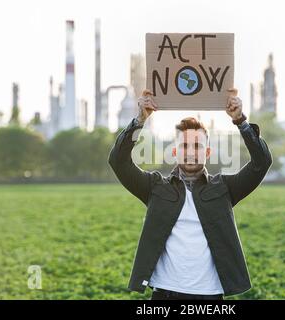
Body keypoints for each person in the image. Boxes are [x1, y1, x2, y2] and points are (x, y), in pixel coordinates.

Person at [108, 88, 273, 300]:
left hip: (210, 295)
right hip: (165, 294)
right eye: (185, 145)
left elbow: (262, 163)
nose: (191, 152)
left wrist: (240, 121)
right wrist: (140, 121)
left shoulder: (225, 188)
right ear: (175, 151)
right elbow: (118, 162)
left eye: (197, 146)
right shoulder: (155, 187)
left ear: (207, 152)